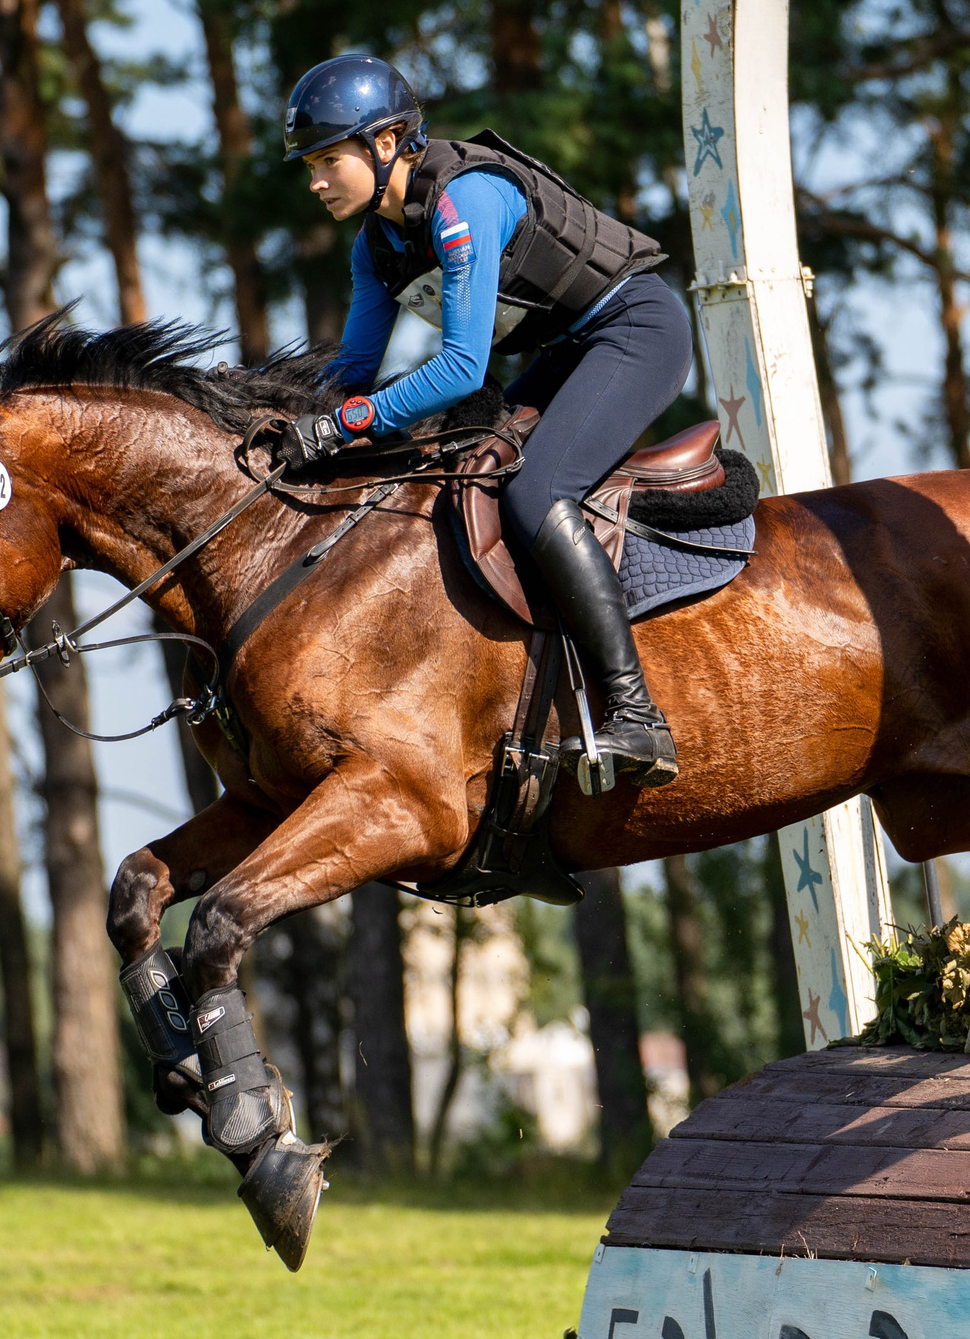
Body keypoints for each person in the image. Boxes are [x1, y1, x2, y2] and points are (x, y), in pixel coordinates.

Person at [279, 53, 687, 790]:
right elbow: (352, 372)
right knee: (463, 477)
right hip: (568, 351)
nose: (315, 182)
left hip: (635, 330)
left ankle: (638, 715)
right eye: (310, 166)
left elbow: (463, 369)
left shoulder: (462, 203)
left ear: (385, 143)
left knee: (536, 494)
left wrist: (347, 423)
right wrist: (285, 418)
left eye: (328, 160)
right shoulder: (375, 247)